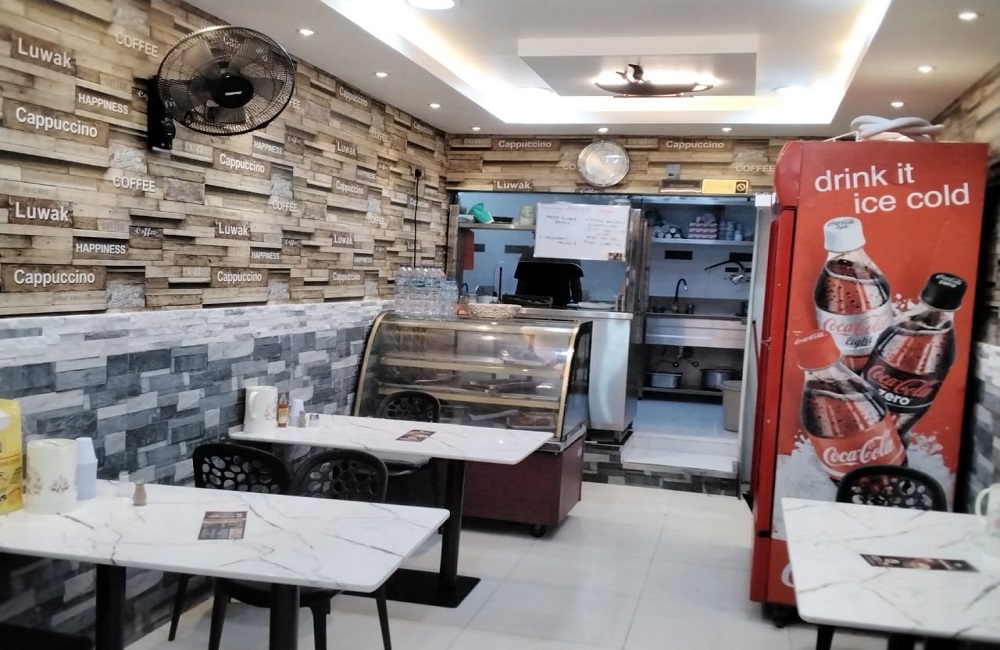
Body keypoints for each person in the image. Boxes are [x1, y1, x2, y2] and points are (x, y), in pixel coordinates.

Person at [513, 248, 584, 307]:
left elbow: (521, 286)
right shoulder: (569, 254)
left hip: (532, 304)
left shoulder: (529, 253)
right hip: (559, 305)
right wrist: (578, 304)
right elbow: (576, 287)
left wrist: (518, 304)